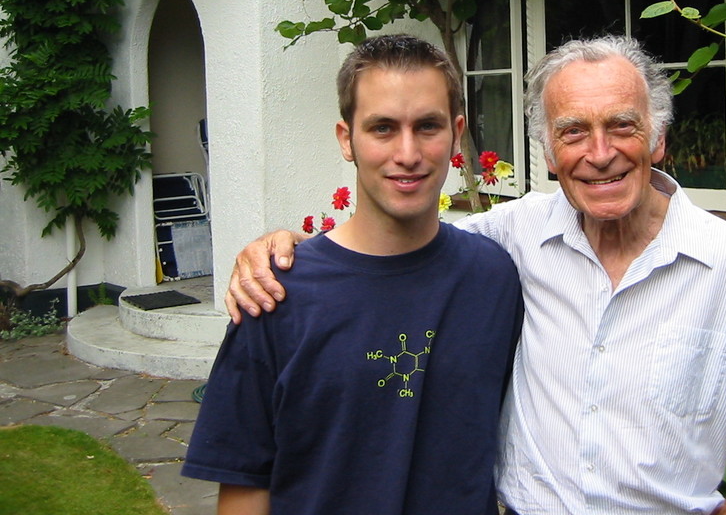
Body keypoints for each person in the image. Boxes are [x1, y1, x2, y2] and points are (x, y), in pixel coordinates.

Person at [228, 35, 726, 515]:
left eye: (621, 126)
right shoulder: (509, 241)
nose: (600, 154)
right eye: (574, 133)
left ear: (656, 137)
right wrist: (284, 247)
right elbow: (395, 242)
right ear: (547, 151)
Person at [182, 34, 523, 515]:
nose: (408, 153)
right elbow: (244, 481)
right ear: (347, 139)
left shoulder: (495, 277)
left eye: (428, 126)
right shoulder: (276, 293)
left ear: (457, 134)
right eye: (382, 128)